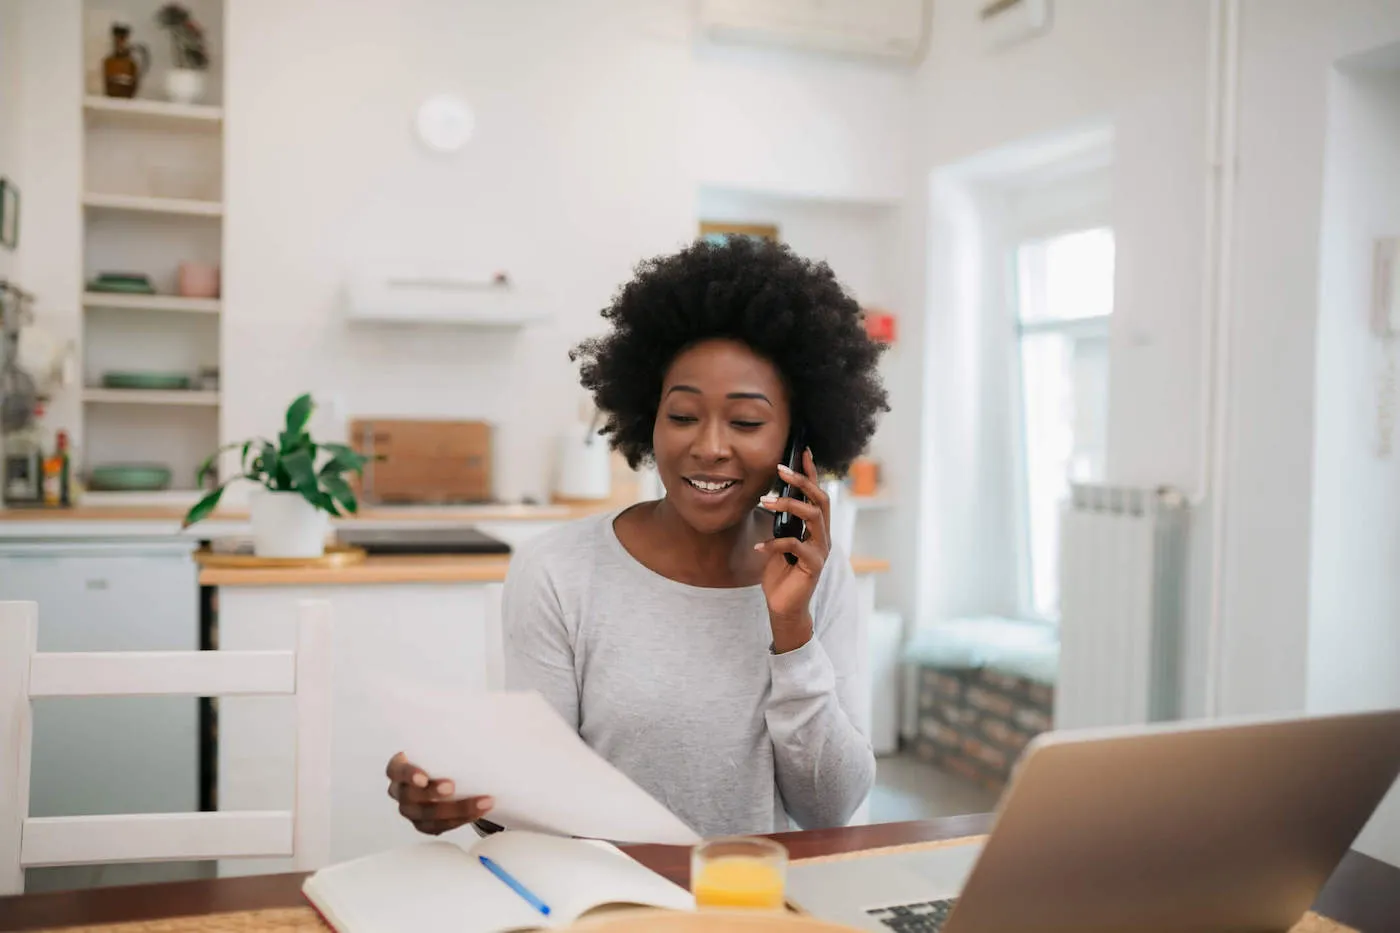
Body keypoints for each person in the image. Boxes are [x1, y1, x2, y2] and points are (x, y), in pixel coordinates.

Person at [386, 235, 890, 838]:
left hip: (742, 908)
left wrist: (791, 631)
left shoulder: (817, 576)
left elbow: (829, 810)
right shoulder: (558, 571)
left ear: (797, 438)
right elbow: (534, 807)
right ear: (647, 417)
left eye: (747, 421)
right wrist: (463, 798)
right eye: (681, 416)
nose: (707, 446)